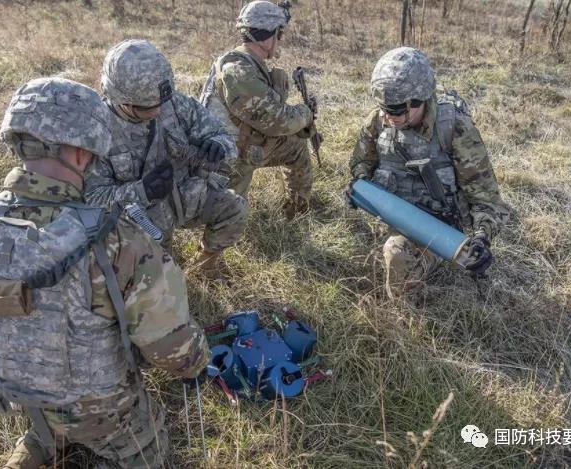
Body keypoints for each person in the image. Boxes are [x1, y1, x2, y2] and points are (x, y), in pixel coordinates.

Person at [0, 77, 209, 468]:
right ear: (80, 152)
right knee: (150, 450)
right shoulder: (118, 238)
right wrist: (199, 359)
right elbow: (173, 353)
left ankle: (44, 439)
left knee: (45, 430)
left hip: (18, 395)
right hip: (102, 412)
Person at [346, 47, 510, 300]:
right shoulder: (378, 120)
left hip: (436, 225)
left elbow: (486, 198)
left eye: (398, 110)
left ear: (420, 99)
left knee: (397, 253)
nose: (390, 117)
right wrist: (358, 188)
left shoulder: (453, 128)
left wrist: (481, 238)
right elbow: (361, 164)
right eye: (384, 108)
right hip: (392, 214)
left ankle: (407, 316)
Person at [85, 39, 248, 280]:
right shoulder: (95, 130)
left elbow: (222, 136)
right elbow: (92, 200)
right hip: (139, 217)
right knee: (159, 279)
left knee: (235, 208)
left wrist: (219, 147)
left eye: (161, 103)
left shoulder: (175, 103)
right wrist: (140, 191)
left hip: (186, 195)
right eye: (146, 108)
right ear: (120, 99)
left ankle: (205, 267)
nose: (158, 111)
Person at [200, 0, 315, 219]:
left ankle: (297, 212)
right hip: (226, 159)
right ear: (269, 36)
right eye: (279, 35)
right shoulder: (239, 71)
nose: (280, 41)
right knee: (227, 219)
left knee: (296, 146)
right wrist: (306, 113)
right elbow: (279, 121)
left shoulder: (247, 62)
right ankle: (208, 249)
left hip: (243, 145)